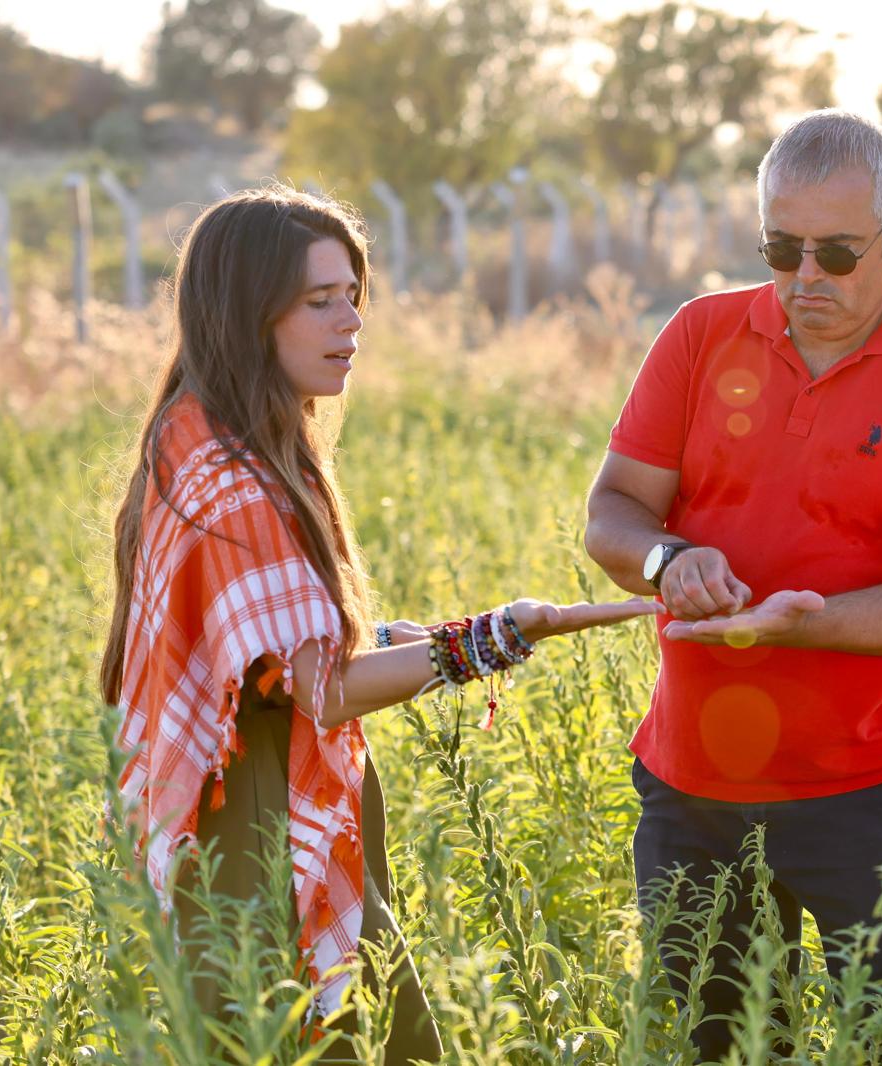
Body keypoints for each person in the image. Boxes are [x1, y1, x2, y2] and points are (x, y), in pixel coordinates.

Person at [100, 185, 659, 1060]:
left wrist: (410, 638)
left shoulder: (195, 437)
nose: (350, 322)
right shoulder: (236, 482)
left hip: (245, 810)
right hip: (258, 835)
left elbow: (279, 661)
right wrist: (500, 637)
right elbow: (322, 691)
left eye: (354, 296)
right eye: (320, 301)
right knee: (319, 1035)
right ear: (249, 314)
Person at [583, 109, 882, 1056]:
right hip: (692, 789)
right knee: (721, 1045)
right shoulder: (700, 336)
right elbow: (613, 512)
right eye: (782, 249)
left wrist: (798, 626)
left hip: (864, 787)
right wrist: (668, 558)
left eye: (836, 253)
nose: (805, 278)